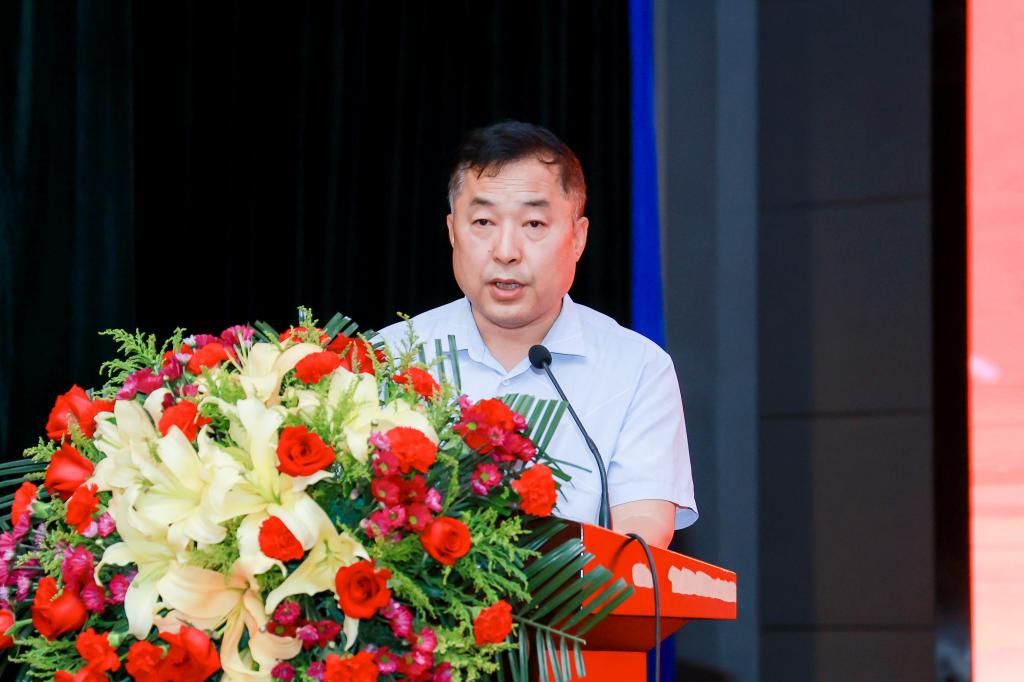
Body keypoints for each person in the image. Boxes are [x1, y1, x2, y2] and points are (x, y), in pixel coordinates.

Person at [377, 121, 695, 548]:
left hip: (578, 594)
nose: (506, 251)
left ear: (578, 238)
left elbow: (642, 531)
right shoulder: (388, 356)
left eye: (533, 224)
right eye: (483, 221)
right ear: (452, 232)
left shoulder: (637, 368)